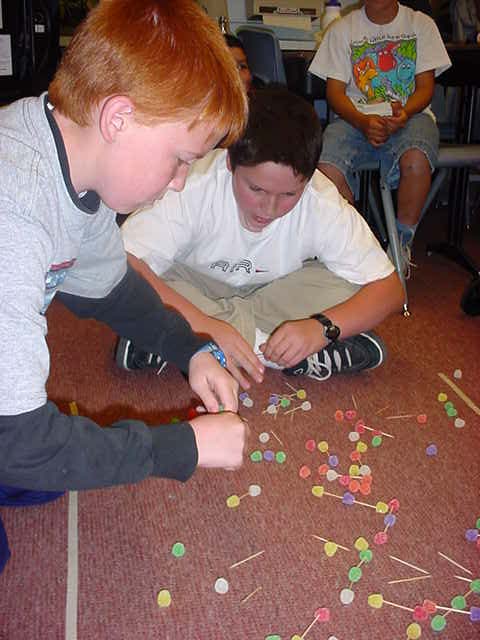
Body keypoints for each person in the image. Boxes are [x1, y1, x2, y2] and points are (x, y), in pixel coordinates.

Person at [0, 0, 249, 571]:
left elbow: (113, 293)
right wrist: (178, 449)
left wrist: (191, 350)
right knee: (32, 461)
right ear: (118, 118)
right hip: (12, 436)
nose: (181, 183)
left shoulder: (74, 158)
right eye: (180, 161)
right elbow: (22, 443)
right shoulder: (13, 211)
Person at [117, 86, 404, 392]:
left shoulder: (320, 198)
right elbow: (123, 263)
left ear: (308, 179)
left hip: (273, 292)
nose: (269, 210)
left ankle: (179, 341)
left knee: (351, 284)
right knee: (138, 279)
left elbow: (390, 289)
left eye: (289, 195)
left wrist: (321, 328)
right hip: (197, 284)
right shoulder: (194, 183)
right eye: (256, 190)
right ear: (230, 163)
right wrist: (206, 325)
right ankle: (270, 349)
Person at [308, 0, 451, 274]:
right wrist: (362, 122)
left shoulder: (420, 24)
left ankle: (400, 244)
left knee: (416, 160)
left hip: (411, 116)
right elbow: (335, 93)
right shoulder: (342, 29)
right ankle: (351, 245)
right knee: (324, 170)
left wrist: (404, 114)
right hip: (354, 118)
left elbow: (425, 88)